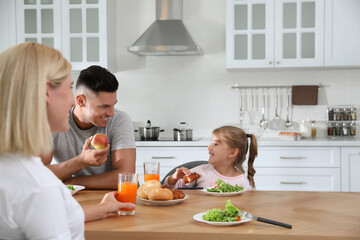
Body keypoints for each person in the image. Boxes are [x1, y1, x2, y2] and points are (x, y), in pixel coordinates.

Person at [0, 42, 134, 239]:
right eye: (68, 87)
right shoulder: (40, 188)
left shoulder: (13, 168)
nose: (71, 101)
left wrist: (103, 208)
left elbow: (51, 218)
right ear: (47, 92)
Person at [41, 65, 136, 190]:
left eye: (113, 105)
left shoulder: (120, 120)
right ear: (81, 101)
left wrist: (73, 181)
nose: (111, 113)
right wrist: (81, 161)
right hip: (74, 198)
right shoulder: (55, 120)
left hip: (116, 198)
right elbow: (37, 173)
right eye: (104, 106)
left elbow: (126, 177)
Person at [164, 126, 257, 190]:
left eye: (216, 144)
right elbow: (169, 189)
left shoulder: (242, 182)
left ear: (232, 152)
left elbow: (246, 206)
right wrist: (174, 178)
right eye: (211, 143)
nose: (209, 147)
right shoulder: (201, 171)